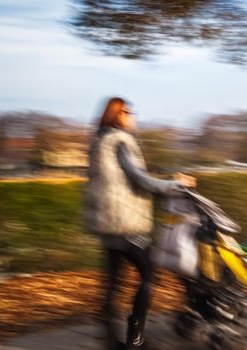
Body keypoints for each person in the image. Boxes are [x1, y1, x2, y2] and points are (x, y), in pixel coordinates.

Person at [84, 97, 195, 350]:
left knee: (113, 285)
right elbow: (140, 179)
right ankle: (136, 341)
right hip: (127, 224)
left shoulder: (98, 141)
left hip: (106, 224)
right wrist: (176, 185)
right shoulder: (120, 141)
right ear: (119, 114)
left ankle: (111, 342)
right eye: (129, 112)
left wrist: (169, 179)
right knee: (150, 276)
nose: (133, 117)